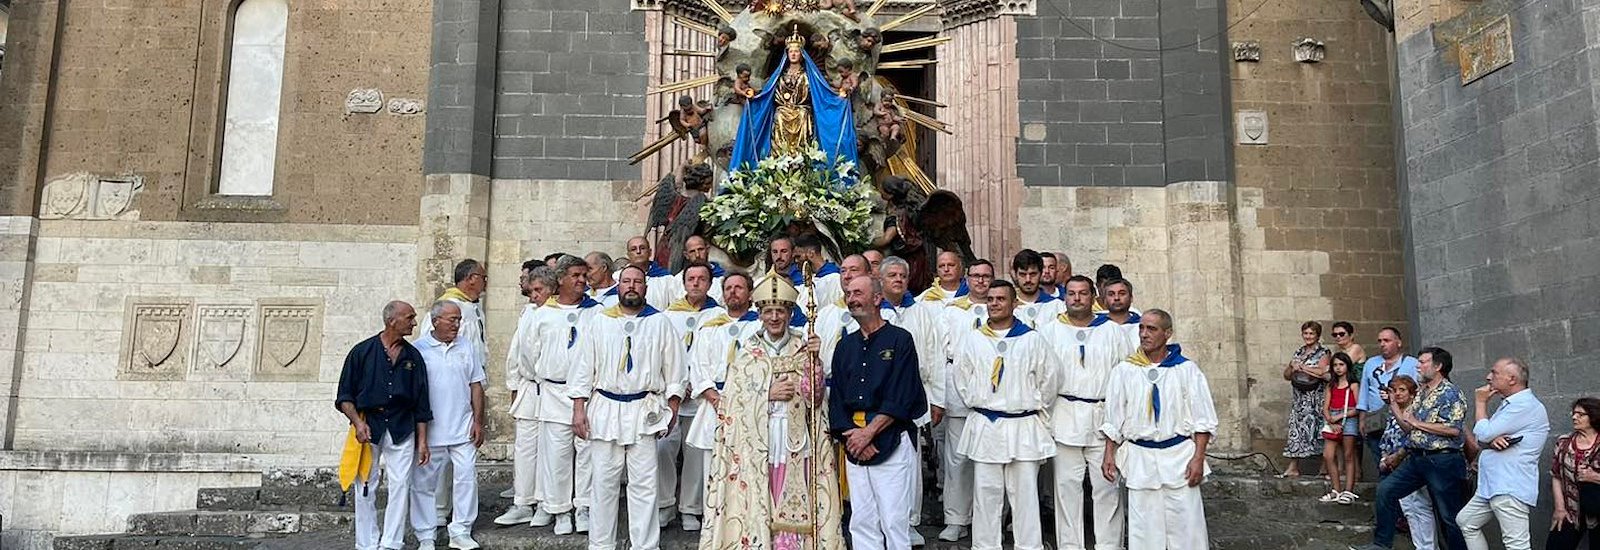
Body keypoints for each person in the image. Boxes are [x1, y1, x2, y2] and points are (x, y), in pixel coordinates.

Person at [698, 269, 844, 550]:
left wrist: (815, 364)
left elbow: (815, 399)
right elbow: (732, 403)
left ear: (790, 313)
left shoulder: (804, 347)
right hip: (758, 442)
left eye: (780, 311)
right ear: (760, 314)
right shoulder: (747, 352)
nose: (774, 318)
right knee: (760, 493)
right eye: (768, 311)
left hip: (797, 441)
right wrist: (767, 394)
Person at [571, 265, 688, 550]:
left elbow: (676, 369)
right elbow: (583, 367)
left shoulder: (660, 323)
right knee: (603, 483)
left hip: (643, 410)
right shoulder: (599, 321)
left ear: (646, 288)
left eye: (637, 281)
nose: (632, 286)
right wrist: (578, 408)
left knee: (644, 485)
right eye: (626, 281)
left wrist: (672, 406)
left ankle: (645, 546)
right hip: (606, 409)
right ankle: (601, 545)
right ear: (618, 285)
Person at [952, 280, 1059, 550]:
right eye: (990, 299)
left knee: (1024, 494)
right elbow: (961, 376)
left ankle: (1029, 546)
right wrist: (980, 402)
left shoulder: (1032, 339)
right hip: (986, 425)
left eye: (1001, 299)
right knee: (986, 494)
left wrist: (1030, 406)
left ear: (1014, 304)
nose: (995, 304)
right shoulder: (974, 338)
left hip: (1022, 425)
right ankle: (986, 545)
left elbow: (1049, 379)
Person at [497, 256, 600, 534]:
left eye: (584, 275)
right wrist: (547, 376)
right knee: (556, 455)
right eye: (576, 275)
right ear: (562, 279)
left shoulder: (597, 312)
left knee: (587, 451)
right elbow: (528, 355)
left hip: (588, 393)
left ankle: (584, 506)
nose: (581, 280)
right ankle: (559, 509)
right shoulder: (541, 314)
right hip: (553, 391)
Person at [1100, 309, 1216, 550]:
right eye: (1141, 328)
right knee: (1144, 530)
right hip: (1140, 456)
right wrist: (1109, 453)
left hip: (1178, 456)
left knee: (1187, 526)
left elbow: (1202, 418)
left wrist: (1198, 457)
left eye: (1151, 329)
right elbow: (1114, 415)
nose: (1144, 334)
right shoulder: (1125, 370)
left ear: (1168, 333)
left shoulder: (1186, 370)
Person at [828, 275, 929, 550]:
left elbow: (903, 394)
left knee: (894, 520)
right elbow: (836, 398)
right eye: (848, 294)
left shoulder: (900, 340)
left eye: (858, 293)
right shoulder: (844, 346)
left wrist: (869, 434)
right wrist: (853, 437)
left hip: (891, 438)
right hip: (854, 444)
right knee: (861, 519)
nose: (852, 299)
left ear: (877, 298)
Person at [336, 301, 432, 550]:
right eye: (409, 317)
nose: (414, 322)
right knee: (366, 484)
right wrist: (357, 423)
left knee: (401, 483)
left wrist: (422, 442)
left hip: (402, 425)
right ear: (392, 321)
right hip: (369, 424)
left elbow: (422, 403)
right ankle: (366, 543)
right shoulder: (362, 352)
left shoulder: (413, 357)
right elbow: (345, 396)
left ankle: (391, 542)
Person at [1040, 275, 1127, 550]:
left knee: (1107, 487)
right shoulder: (1050, 330)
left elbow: (1125, 376)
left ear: (1093, 297)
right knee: (1066, 488)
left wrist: (1119, 420)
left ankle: (1109, 545)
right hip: (1064, 414)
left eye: (1083, 293)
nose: (1077, 298)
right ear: (1065, 298)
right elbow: (1042, 375)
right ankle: (1070, 545)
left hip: (1102, 415)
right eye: (1072, 294)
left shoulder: (1112, 331)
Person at [1357, 347, 1469, 550]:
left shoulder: (1451, 393)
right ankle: (1382, 544)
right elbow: (1408, 427)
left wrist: (1417, 423)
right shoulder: (1422, 392)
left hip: (1442, 460)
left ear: (1438, 366)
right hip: (1417, 458)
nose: (1418, 365)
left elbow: (1454, 430)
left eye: (1424, 362)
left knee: (1449, 516)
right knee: (1386, 490)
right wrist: (1393, 405)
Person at [408, 302, 486, 550]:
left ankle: (461, 530)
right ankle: (426, 535)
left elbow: (476, 385)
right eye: (451, 319)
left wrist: (478, 421)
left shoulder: (466, 345)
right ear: (435, 321)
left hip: (462, 427)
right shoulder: (418, 350)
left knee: (466, 478)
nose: (457, 324)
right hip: (431, 430)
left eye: (458, 319)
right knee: (424, 484)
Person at [416, 259, 488, 526]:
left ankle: (461, 524)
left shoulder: (471, 309)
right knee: (435, 467)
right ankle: (436, 513)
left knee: (464, 472)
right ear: (470, 278)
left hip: (464, 400)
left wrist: (478, 415)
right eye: (482, 277)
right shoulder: (446, 307)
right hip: (437, 407)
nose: (484, 283)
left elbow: (475, 360)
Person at [682, 273, 759, 513]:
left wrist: (743, 396)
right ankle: (712, 522)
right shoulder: (710, 329)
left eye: (739, 287)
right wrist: (715, 398)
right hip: (714, 404)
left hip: (751, 404)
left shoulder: (759, 327)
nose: (733, 292)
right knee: (712, 468)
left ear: (750, 293)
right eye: (728, 288)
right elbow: (698, 365)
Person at [657, 263, 725, 532]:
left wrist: (696, 384)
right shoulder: (667, 315)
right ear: (683, 283)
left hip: (702, 399)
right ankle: (664, 505)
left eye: (702, 279)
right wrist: (675, 385)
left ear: (710, 284)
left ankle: (691, 508)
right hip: (672, 396)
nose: (696, 283)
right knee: (664, 450)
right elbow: (661, 354)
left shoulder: (718, 315)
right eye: (691, 279)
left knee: (696, 454)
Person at [931, 258, 995, 542]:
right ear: (967, 279)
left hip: (993, 390)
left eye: (986, 276)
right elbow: (938, 352)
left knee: (991, 458)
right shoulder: (952, 311)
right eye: (976, 276)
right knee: (957, 458)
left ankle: (989, 518)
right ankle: (956, 518)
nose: (981, 281)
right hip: (957, 387)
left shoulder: (1005, 309)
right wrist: (939, 396)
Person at [1458, 358, 1550, 550]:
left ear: (1511, 379)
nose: (1488, 377)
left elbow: (1482, 432)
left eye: (1494, 373)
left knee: (1517, 545)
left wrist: (1480, 402)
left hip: (1510, 484)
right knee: (1466, 521)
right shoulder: (1509, 403)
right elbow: (1483, 437)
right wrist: (1490, 440)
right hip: (1493, 484)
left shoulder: (1524, 404)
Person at [497, 266, 554, 504]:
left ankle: (545, 500)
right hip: (529, 387)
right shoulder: (528, 313)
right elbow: (516, 352)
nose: (534, 296)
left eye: (539, 290)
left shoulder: (559, 314)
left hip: (552, 388)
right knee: (525, 447)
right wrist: (515, 386)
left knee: (549, 449)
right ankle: (522, 499)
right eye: (531, 291)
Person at [1377, 375, 1440, 550]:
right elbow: (1387, 440)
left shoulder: (1416, 412)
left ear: (1412, 393)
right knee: (1409, 510)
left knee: (1421, 507)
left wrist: (1398, 456)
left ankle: (1429, 547)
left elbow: (1414, 438)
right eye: (1394, 390)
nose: (1397, 394)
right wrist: (1385, 459)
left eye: (1402, 390)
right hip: (1396, 468)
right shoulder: (1392, 414)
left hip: (1414, 463)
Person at [1357, 328, 1421, 466]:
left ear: (1398, 342)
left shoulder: (1412, 363)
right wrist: (1362, 419)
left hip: (1401, 421)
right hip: (1375, 421)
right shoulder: (1371, 363)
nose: (1382, 344)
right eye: (1380, 341)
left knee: (1402, 463)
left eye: (1387, 340)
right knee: (1380, 463)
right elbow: (1364, 392)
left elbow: (1419, 392)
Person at [1548, 397, 1600, 550]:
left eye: (1580, 414)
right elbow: (1556, 475)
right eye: (1573, 413)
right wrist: (1559, 508)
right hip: (1571, 510)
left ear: (1593, 416)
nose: (1574, 417)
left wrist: (1595, 477)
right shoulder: (1564, 442)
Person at [1282, 321, 1331, 478]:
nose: (1308, 336)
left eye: (1311, 333)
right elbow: (1286, 375)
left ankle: (1324, 467)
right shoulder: (1299, 352)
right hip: (1299, 399)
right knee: (1296, 430)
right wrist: (1291, 367)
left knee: (1318, 431)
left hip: (1315, 399)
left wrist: (1303, 367)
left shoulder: (1323, 352)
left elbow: (1323, 372)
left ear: (1317, 335)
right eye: (1306, 333)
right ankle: (1293, 466)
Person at [1320, 352, 1361, 504]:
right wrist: (1331, 421)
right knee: (1328, 455)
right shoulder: (1331, 385)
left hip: (1348, 417)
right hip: (1332, 417)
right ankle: (1336, 489)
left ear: (1347, 366)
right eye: (1335, 365)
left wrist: (1339, 418)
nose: (1338, 368)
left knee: (1348, 454)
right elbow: (1325, 407)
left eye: (1341, 365)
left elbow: (1358, 407)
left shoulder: (1353, 385)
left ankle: (1349, 490)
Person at [622, 236, 681, 310]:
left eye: (642, 248)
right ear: (628, 254)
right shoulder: (618, 278)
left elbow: (676, 307)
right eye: (633, 249)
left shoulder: (667, 279)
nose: (638, 252)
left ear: (650, 252)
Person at [790, 233, 843, 310]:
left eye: (798, 256)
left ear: (811, 253)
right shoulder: (810, 278)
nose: (796, 261)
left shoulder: (834, 278)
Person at [1010, 249, 1061, 325]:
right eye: (1022, 274)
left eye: (1033, 274)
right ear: (1015, 275)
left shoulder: (1057, 306)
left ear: (1040, 273)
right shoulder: (1007, 307)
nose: (1028, 280)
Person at [682, 235, 726, 302]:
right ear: (686, 255)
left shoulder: (723, 278)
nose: (697, 255)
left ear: (707, 249)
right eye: (692, 251)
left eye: (700, 249)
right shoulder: (677, 280)